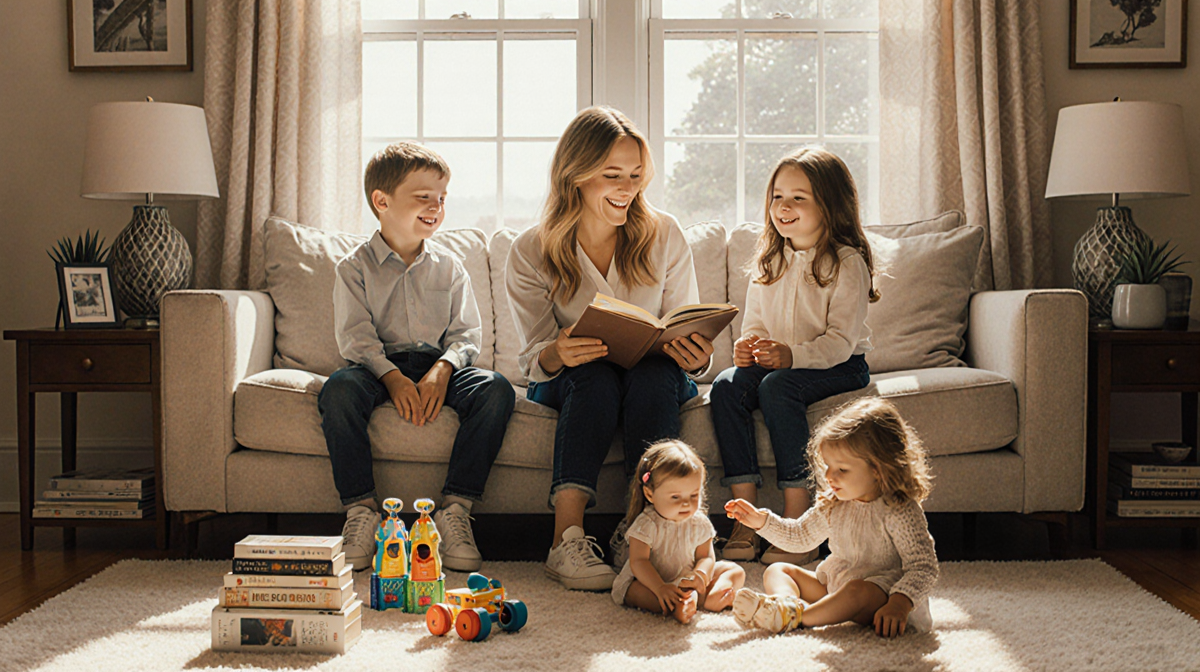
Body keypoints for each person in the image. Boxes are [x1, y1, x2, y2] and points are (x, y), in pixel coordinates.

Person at [506, 106, 716, 591]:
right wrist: (559, 350)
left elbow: (686, 323)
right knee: (596, 376)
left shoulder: (664, 232)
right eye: (612, 175)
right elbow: (532, 358)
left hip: (655, 373)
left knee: (654, 375)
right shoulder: (531, 249)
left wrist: (696, 356)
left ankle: (641, 534)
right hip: (576, 379)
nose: (628, 188)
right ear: (576, 175)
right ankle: (567, 539)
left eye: (637, 176)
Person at [318, 142, 516, 572]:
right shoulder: (353, 268)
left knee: (496, 389)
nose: (436, 207)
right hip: (374, 369)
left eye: (442, 198)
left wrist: (443, 370)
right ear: (382, 202)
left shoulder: (450, 267)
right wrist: (391, 377)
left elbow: (466, 335)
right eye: (423, 197)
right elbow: (356, 338)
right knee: (338, 390)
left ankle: (455, 509)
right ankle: (361, 511)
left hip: (437, 365)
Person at [710, 146, 879, 566]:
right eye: (777, 196)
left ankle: (796, 520)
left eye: (798, 198)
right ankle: (746, 518)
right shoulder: (769, 261)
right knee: (726, 385)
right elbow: (756, 326)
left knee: (778, 387)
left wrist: (790, 356)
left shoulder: (846, 262)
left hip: (839, 364)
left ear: (830, 205)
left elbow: (839, 341)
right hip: (778, 362)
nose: (783, 207)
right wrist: (749, 347)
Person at [725, 397, 938, 637]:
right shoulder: (835, 504)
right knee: (778, 570)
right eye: (827, 466)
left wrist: (900, 602)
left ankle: (800, 619)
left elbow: (923, 566)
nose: (829, 477)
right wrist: (761, 522)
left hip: (882, 599)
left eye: (842, 470)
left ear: (879, 470)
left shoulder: (899, 509)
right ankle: (786, 606)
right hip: (837, 586)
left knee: (857, 591)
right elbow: (800, 537)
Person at [612, 440, 745, 624]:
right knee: (633, 592)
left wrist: (700, 575)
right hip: (652, 581)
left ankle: (712, 596)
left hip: (686, 578)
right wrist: (660, 588)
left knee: (734, 570)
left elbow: (705, 557)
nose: (686, 504)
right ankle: (675, 607)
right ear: (650, 494)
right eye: (675, 497)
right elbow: (639, 562)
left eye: (693, 495)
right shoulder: (647, 524)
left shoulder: (699, 522)